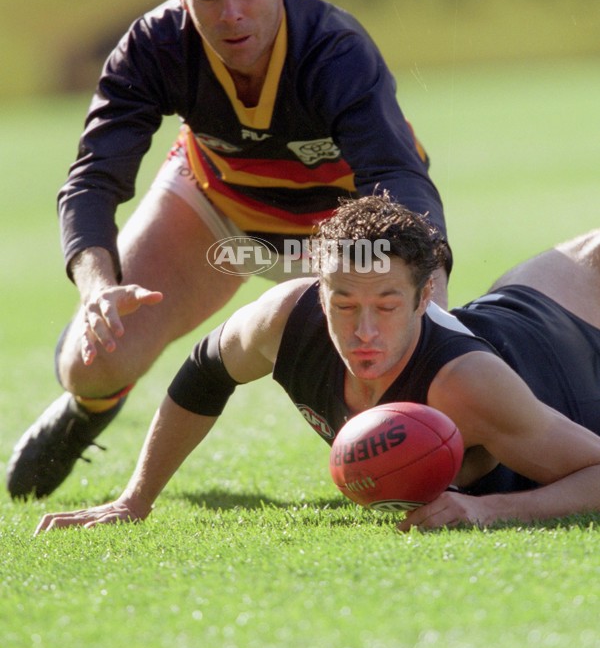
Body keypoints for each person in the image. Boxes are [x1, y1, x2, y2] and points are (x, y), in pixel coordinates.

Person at [7, 0, 450, 500]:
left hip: (341, 238)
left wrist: (432, 296)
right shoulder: (155, 44)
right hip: (217, 211)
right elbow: (91, 179)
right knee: (91, 362)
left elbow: (397, 180)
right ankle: (91, 407)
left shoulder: (334, 48)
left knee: (413, 382)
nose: (231, 14)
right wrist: (96, 291)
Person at [35, 194, 600, 534]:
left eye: (387, 304)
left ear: (424, 296)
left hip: (570, 335)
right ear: (319, 290)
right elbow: (204, 373)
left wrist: (492, 511)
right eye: (344, 304)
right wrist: (136, 499)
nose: (364, 331)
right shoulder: (287, 318)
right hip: (513, 316)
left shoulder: (466, 385)